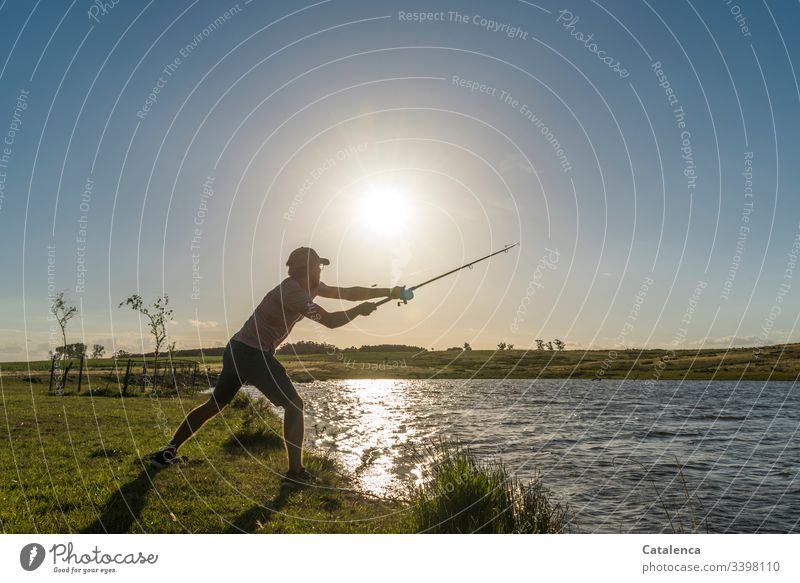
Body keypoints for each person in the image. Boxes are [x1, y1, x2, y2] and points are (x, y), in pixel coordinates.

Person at [148, 247, 413, 486]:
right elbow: (330, 321)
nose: (320, 270)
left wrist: (388, 292)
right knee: (294, 405)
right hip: (252, 353)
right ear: (304, 268)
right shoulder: (293, 292)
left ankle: (166, 453)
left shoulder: (310, 287)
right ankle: (295, 474)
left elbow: (347, 293)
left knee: (214, 405)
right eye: (317, 266)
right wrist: (359, 312)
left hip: (237, 348)